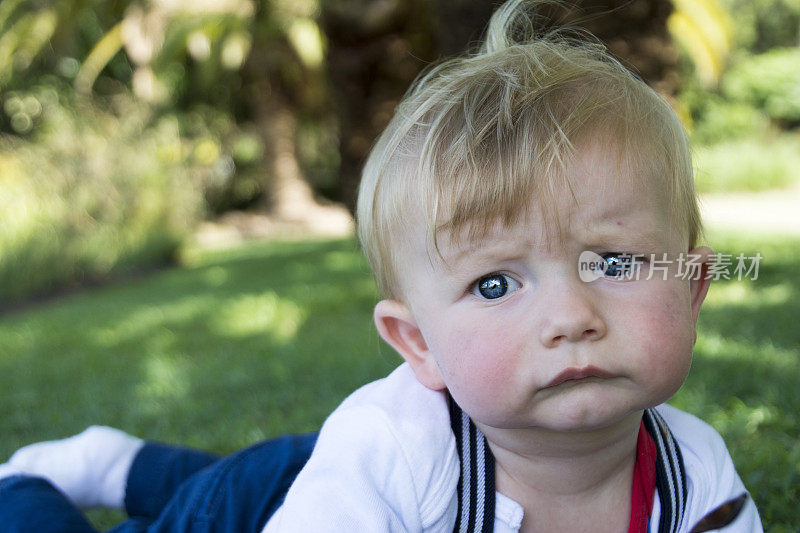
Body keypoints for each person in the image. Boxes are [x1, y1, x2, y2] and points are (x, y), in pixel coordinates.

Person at [0, 0, 763, 531]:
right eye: (495, 283)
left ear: (693, 289)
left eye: (614, 262)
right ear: (418, 343)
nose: (571, 316)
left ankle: (122, 460)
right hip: (277, 502)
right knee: (210, 502)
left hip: (326, 475)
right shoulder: (395, 449)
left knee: (280, 468)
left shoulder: (698, 479)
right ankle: (29, 483)